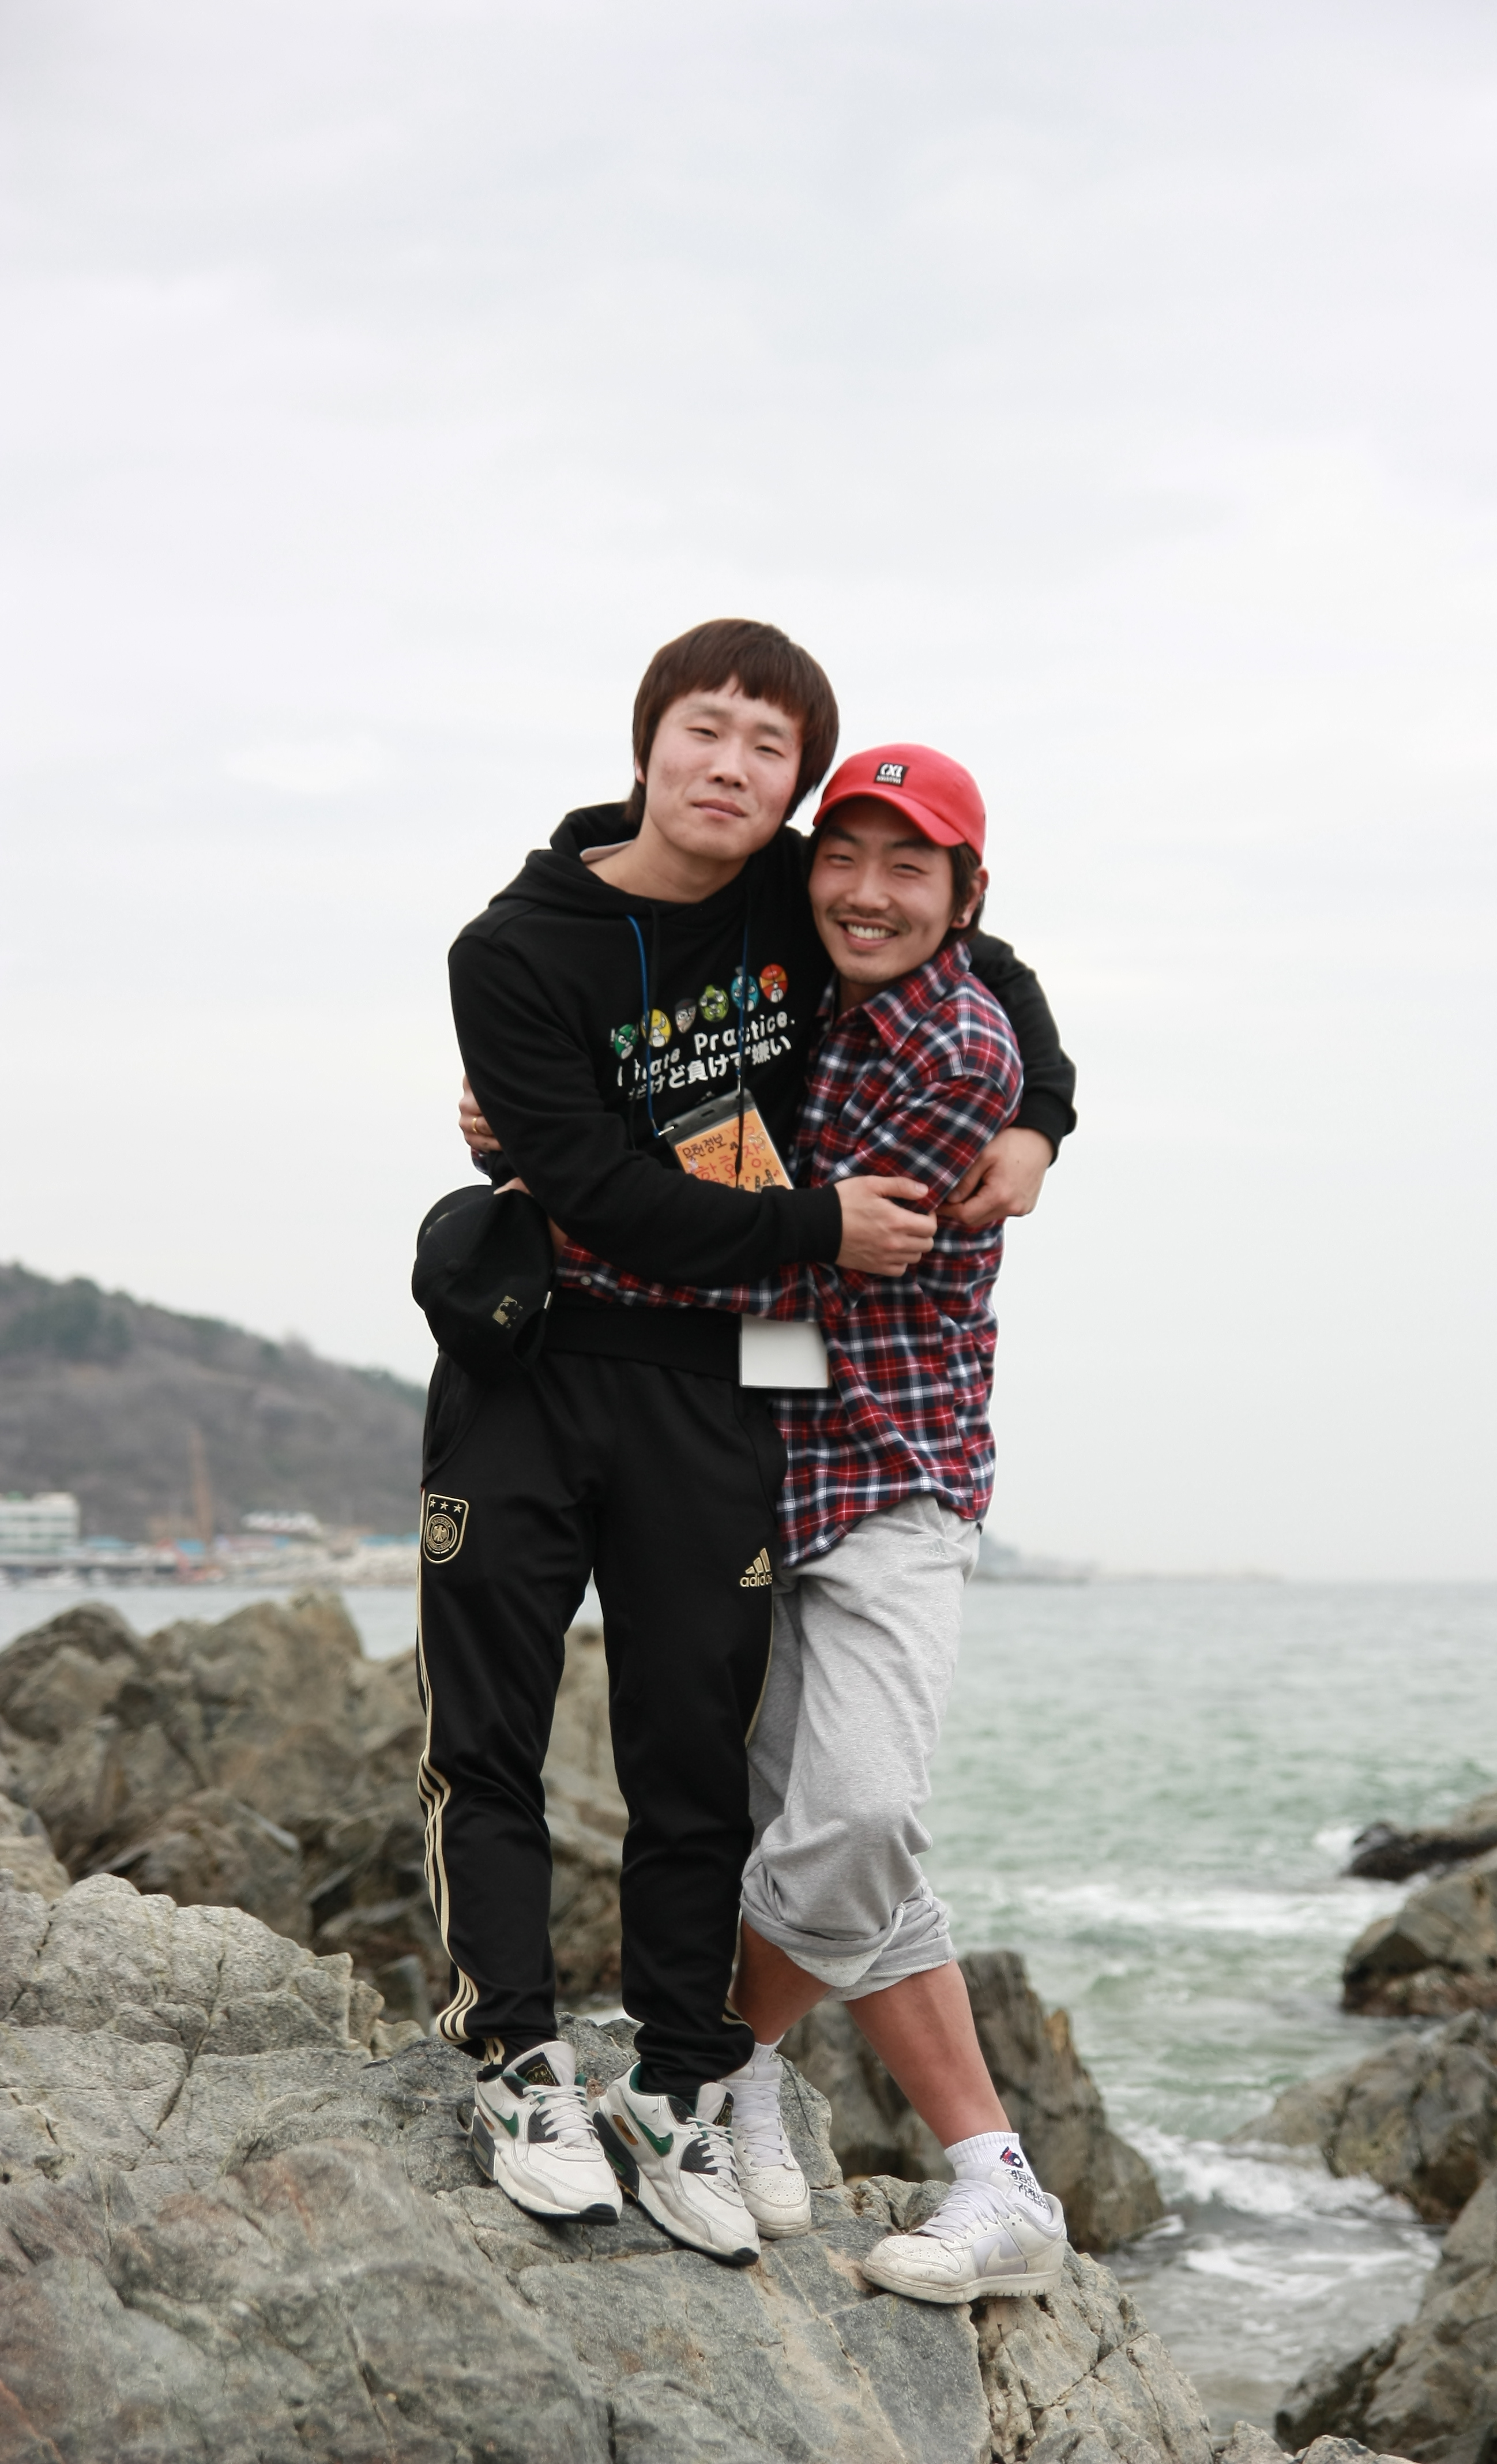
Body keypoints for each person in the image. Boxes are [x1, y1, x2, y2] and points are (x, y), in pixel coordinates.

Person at [419, 618, 1075, 2265]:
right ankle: (542, 2062)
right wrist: (588, 1143)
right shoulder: (519, 946)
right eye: (704, 732)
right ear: (647, 741)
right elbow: (605, 1186)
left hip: (770, 1417)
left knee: (754, 1789)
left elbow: (979, 964)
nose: (731, 768)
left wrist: (1040, 1119)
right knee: (544, 1749)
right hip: (595, 1387)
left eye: (767, 748)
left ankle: (701, 2072)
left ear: (792, 784)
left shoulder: (821, 919)